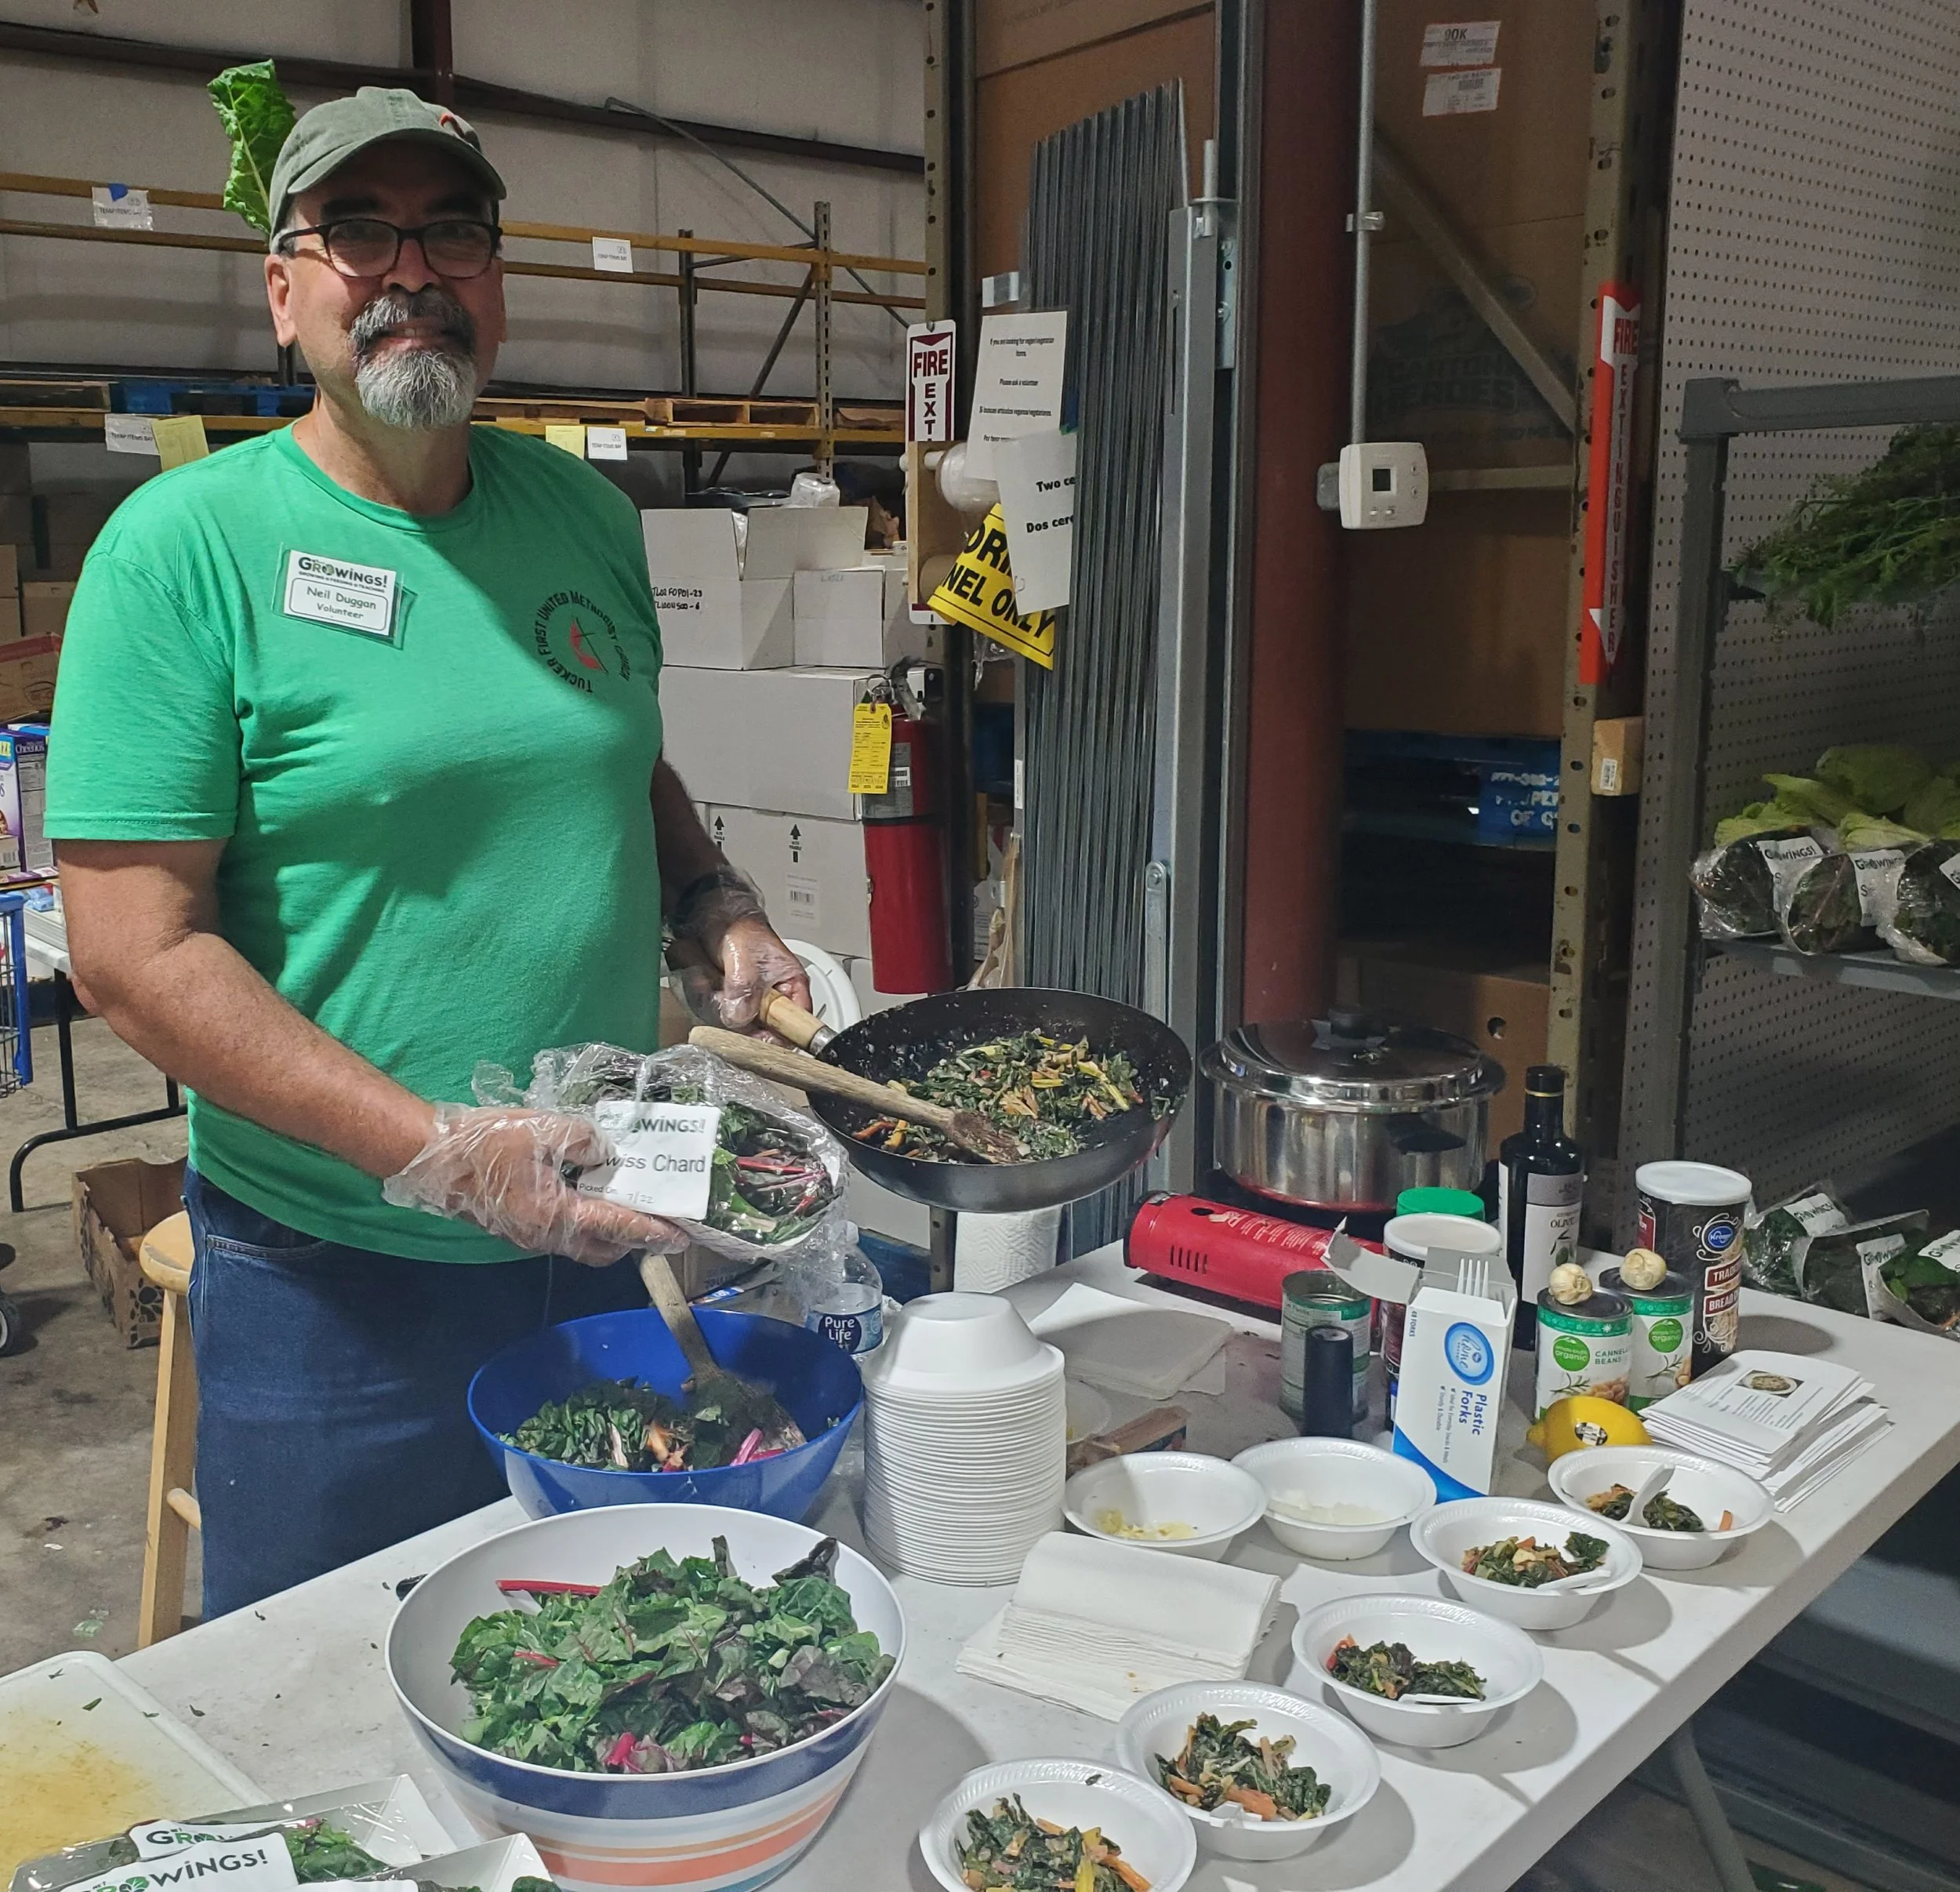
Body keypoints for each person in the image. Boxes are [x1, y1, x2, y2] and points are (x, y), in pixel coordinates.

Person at [44, 89, 811, 1617]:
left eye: (451, 231)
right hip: (338, 1283)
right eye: (358, 234)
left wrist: (709, 898)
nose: (411, 271)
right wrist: (437, 1154)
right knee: (328, 1684)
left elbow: (606, 754)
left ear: (496, 279)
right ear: (284, 290)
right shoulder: (181, 551)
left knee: (613, 1652)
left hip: (601, 1228)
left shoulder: (583, 513)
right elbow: (133, 954)